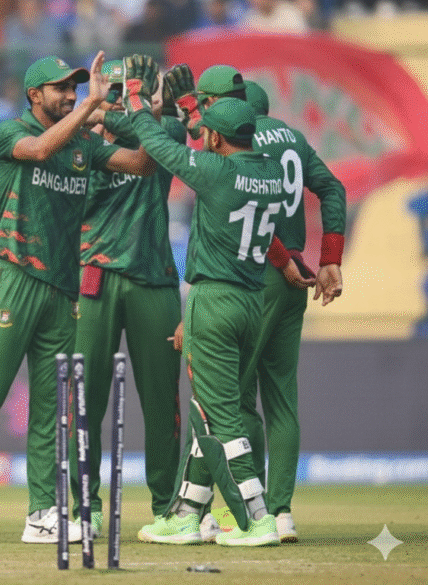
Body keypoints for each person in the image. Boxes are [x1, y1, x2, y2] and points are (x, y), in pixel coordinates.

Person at [0, 52, 156, 545]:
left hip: (63, 286)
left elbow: (141, 163)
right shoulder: (10, 132)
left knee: (52, 406)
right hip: (15, 275)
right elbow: (39, 150)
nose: (71, 95)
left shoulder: (86, 144)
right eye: (61, 88)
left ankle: (41, 513)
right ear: (34, 95)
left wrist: (151, 116)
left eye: (75, 88)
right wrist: (92, 108)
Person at [123, 56, 284, 546]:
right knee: (206, 413)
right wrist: (194, 111)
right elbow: (212, 141)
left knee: (219, 418)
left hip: (214, 301)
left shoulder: (216, 173)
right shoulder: (270, 171)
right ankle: (186, 514)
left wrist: (137, 102)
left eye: (208, 130)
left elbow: (158, 146)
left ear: (216, 138)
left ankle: (257, 518)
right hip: (252, 301)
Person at [195, 75, 345, 542]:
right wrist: (330, 259)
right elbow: (333, 188)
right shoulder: (293, 138)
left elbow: (251, 216)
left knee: (231, 401)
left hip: (254, 275)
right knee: (281, 400)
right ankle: (281, 512)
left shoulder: (238, 141)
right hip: (295, 279)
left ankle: (245, 510)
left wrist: (281, 260)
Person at [70, 59, 185, 537]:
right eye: (112, 90)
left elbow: (162, 135)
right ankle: (86, 507)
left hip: (153, 278)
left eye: (126, 90)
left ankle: (168, 508)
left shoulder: (166, 132)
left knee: (161, 402)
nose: (119, 98)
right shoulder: (81, 141)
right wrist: (95, 114)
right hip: (95, 277)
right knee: (85, 399)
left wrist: (112, 113)